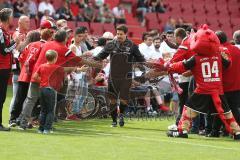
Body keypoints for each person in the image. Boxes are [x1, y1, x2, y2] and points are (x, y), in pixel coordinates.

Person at [165, 25, 240, 140]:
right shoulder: (218, 56)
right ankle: (237, 132)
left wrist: (168, 65)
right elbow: (228, 65)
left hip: (203, 90)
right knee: (226, 113)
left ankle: (182, 130)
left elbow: (181, 66)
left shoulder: (196, 58)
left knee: (188, 110)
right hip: (218, 90)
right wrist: (223, 55)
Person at [94, 24, 145, 127]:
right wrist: (91, 61)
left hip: (126, 77)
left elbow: (141, 59)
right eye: (117, 34)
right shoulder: (111, 44)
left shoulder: (133, 46)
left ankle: (121, 114)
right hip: (113, 77)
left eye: (121, 34)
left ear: (126, 34)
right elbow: (100, 56)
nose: (119, 36)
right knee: (112, 99)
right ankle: (114, 121)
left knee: (123, 99)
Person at [33, 50, 84, 133]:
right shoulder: (56, 67)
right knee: (50, 110)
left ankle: (40, 128)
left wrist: (43, 81)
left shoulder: (42, 66)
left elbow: (35, 77)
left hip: (42, 89)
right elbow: (68, 69)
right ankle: (47, 128)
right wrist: (80, 69)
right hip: (51, 90)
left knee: (43, 110)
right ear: (55, 58)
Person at [208, 31, 240, 137]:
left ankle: (215, 131)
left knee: (219, 110)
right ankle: (236, 132)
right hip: (236, 85)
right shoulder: (236, 50)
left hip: (222, 86)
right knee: (234, 109)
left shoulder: (217, 51)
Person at [9, 31, 40, 128]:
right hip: (30, 77)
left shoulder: (25, 47)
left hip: (22, 75)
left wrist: (23, 71)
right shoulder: (37, 47)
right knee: (28, 100)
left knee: (19, 98)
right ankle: (22, 119)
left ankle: (13, 118)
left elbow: (20, 60)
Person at [0, 8, 19, 131]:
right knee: (1, 97)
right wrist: (15, 42)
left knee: (1, 97)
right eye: (11, 16)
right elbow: (4, 50)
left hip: (5, 68)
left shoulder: (5, 31)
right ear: (7, 18)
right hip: (1, 68)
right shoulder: (1, 32)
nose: (12, 18)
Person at [9, 15, 30, 114]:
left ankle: (16, 117)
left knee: (21, 96)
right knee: (17, 95)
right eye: (26, 22)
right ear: (19, 23)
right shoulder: (17, 34)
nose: (28, 23)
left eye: (29, 21)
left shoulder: (24, 34)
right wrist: (27, 41)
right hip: (18, 69)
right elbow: (18, 50)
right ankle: (12, 117)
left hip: (22, 69)